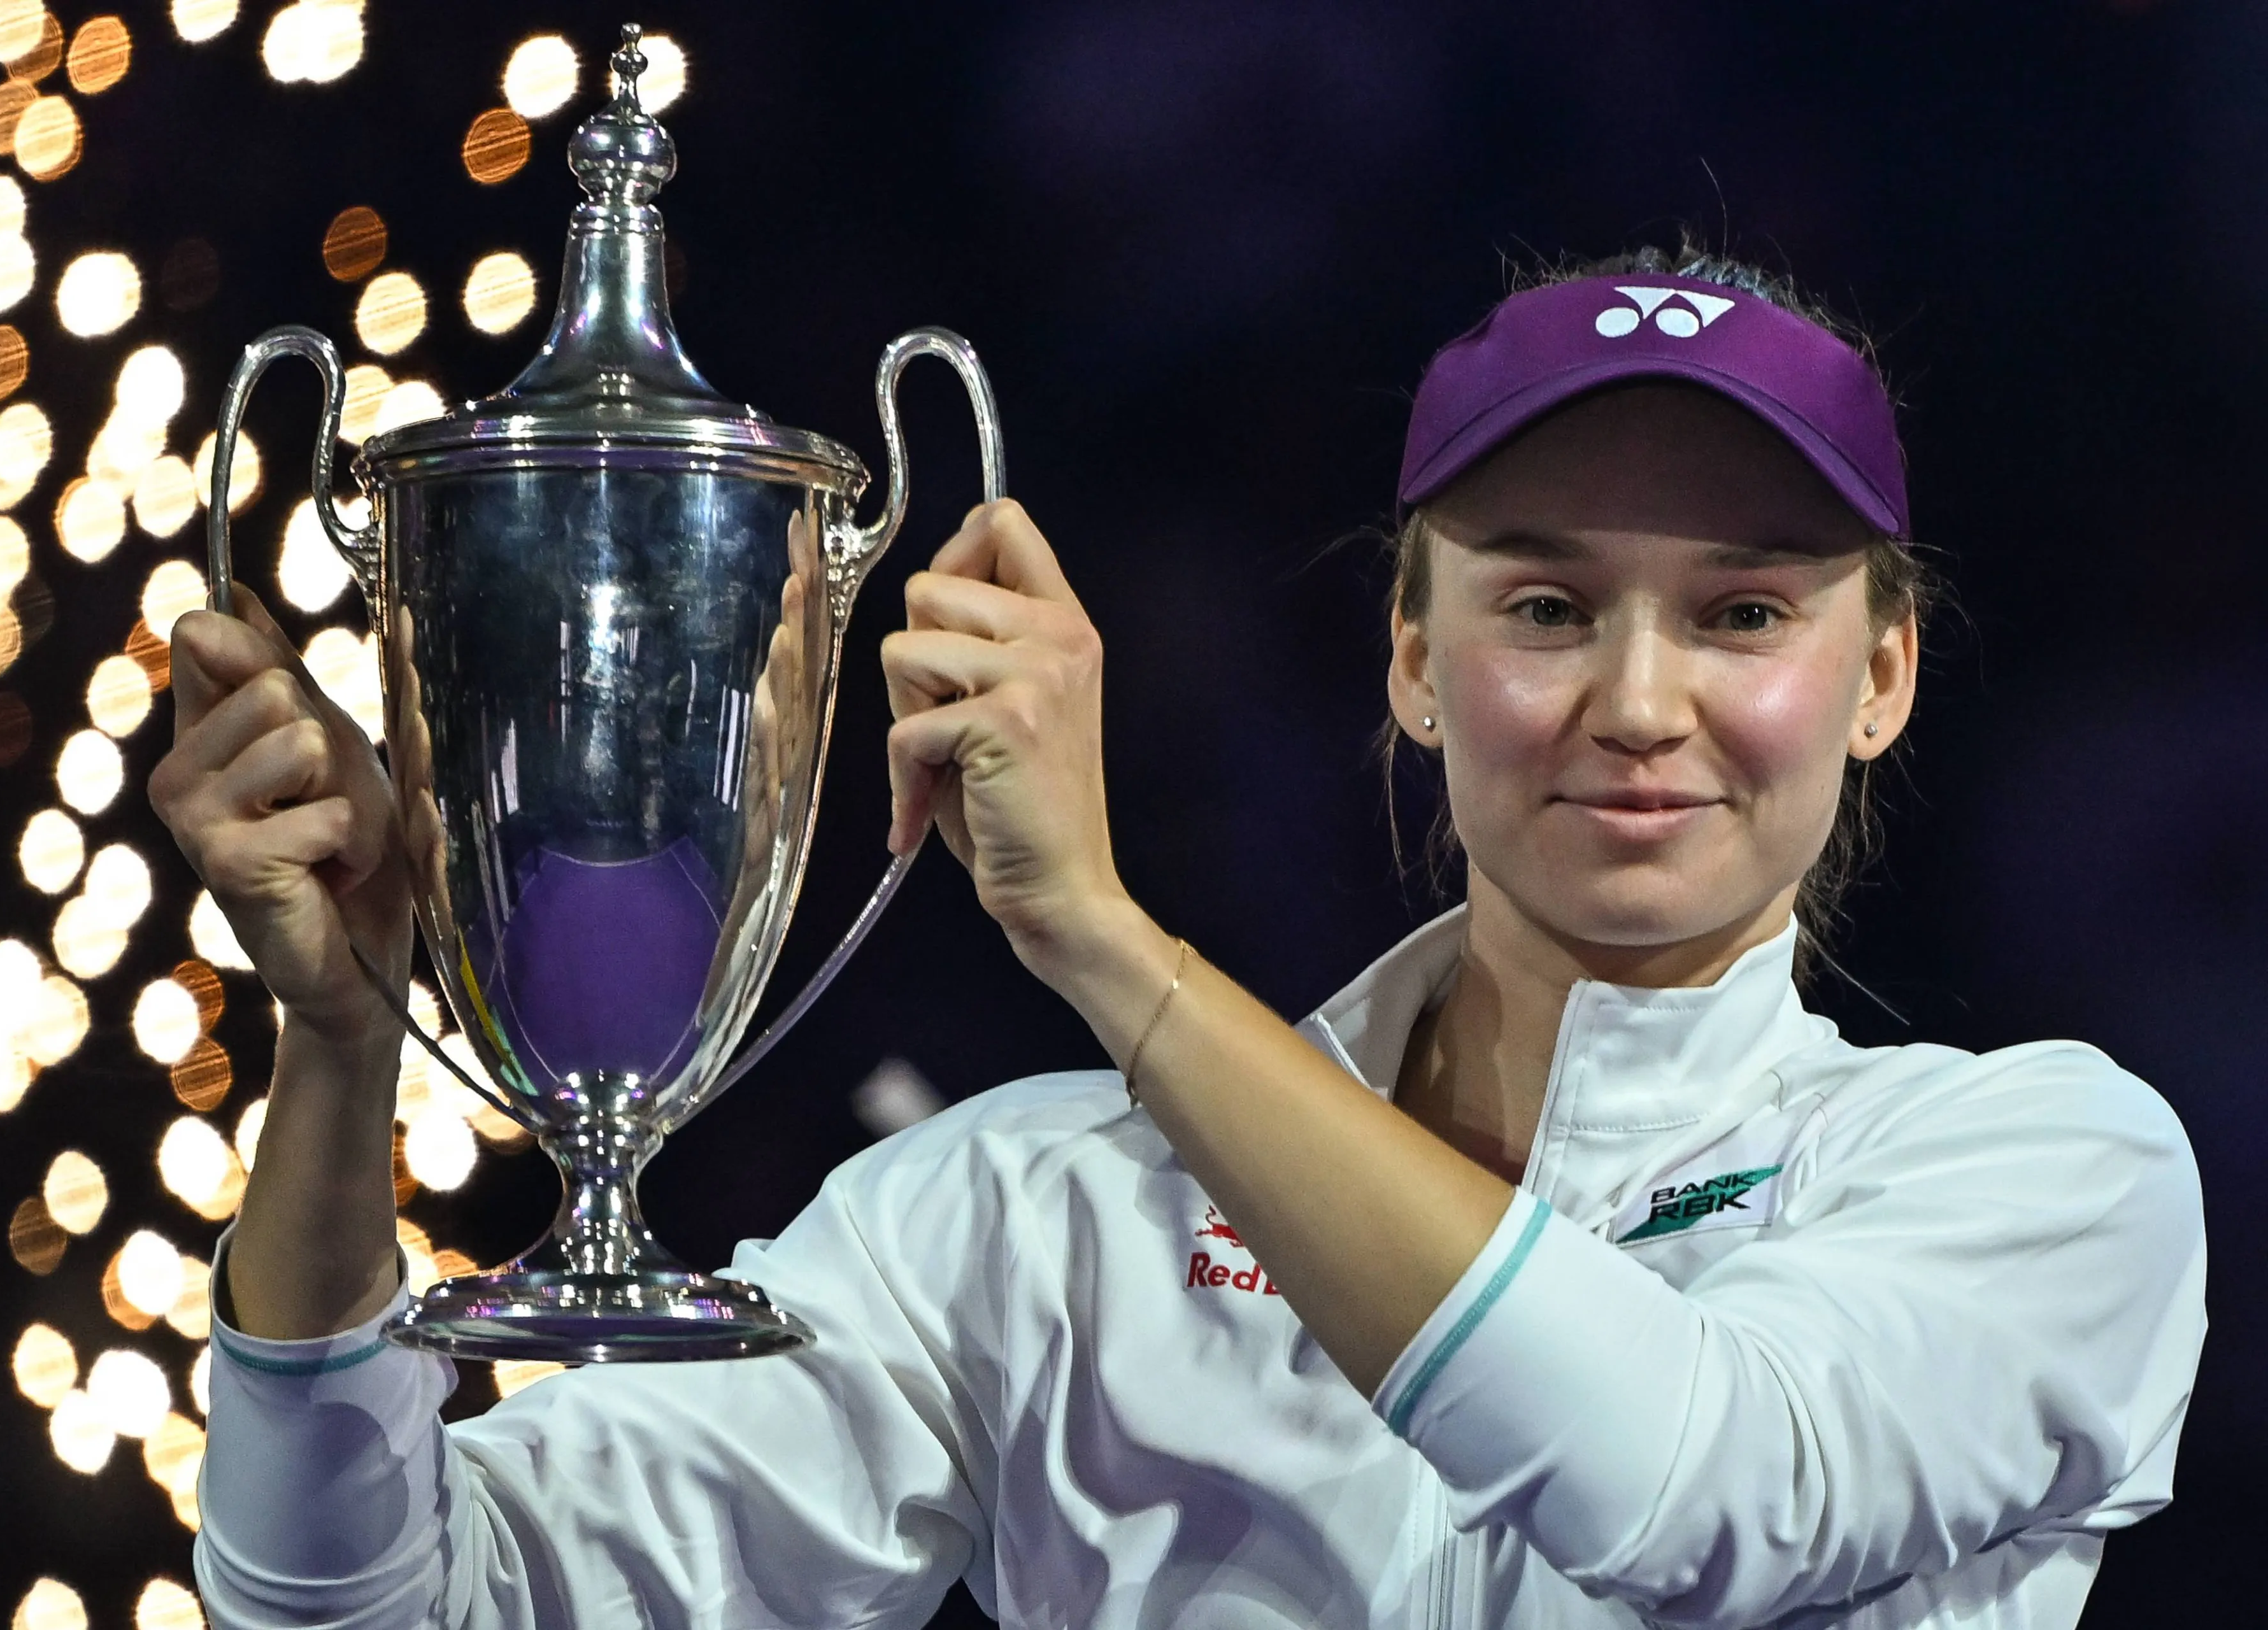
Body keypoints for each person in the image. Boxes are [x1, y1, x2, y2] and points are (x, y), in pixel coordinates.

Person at [159, 247, 2206, 1629]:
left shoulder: (2036, 1174)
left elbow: (1685, 1480)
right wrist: (341, 1066)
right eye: (1548, 607)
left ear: (1887, 677)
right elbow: (381, 1606)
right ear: (1414, 657)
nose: (1641, 703)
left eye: (1748, 612)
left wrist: (1106, 945)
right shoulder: (1047, 1216)